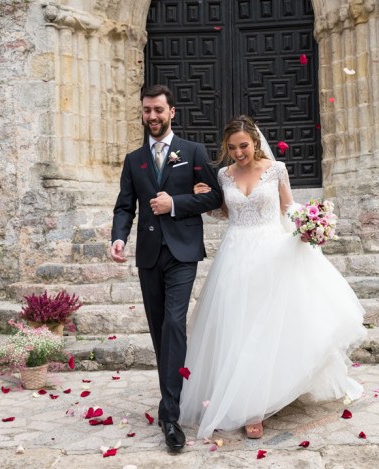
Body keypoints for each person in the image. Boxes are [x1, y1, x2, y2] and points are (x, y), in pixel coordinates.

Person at [180, 115, 367, 439]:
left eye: (244, 146)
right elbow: (225, 211)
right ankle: (250, 407)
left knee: (267, 329)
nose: (239, 153)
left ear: (254, 141)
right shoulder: (224, 175)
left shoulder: (276, 169)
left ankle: (265, 398)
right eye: (233, 147)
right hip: (235, 255)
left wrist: (312, 225)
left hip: (272, 253)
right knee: (238, 328)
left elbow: (289, 207)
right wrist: (202, 199)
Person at [109, 84, 223, 451]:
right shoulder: (134, 159)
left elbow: (214, 196)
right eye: (147, 111)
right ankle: (171, 395)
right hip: (148, 255)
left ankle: (169, 414)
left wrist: (174, 203)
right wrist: (119, 237)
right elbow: (125, 205)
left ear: (172, 111)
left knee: (175, 322)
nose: (153, 117)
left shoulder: (193, 152)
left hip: (183, 251)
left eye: (158, 110)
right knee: (160, 332)